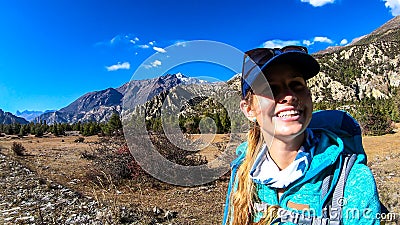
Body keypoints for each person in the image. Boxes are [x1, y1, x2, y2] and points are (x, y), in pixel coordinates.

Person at [222, 46, 381, 225]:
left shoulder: (353, 179)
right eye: (271, 89)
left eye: (297, 85)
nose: (289, 96)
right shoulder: (243, 172)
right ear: (249, 110)